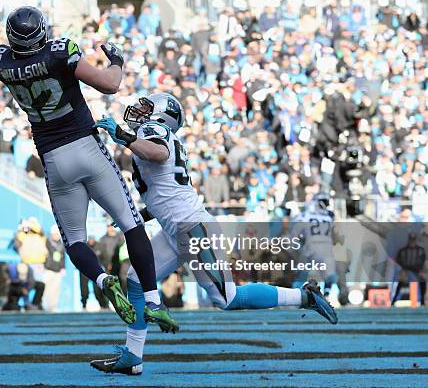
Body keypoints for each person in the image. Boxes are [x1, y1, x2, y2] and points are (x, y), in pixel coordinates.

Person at [0, 7, 175, 329]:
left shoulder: (3, 61)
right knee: (131, 225)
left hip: (53, 158)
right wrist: (117, 60)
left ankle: (100, 279)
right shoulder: (59, 53)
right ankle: (152, 300)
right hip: (86, 145)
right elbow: (110, 85)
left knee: (75, 240)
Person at [92, 92, 338, 375]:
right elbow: (167, 189)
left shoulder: (153, 130)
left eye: (148, 106)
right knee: (136, 282)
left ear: (163, 115)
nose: (139, 109)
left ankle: (304, 297)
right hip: (176, 229)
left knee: (226, 299)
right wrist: (144, 213)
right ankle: (132, 356)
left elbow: (157, 153)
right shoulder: (155, 133)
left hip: (193, 228)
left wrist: (123, 135)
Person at [42, 225, 65, 311]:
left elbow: (63, 257)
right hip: (48, 269)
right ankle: (42, 305)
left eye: (57, 234)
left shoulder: (61, 245)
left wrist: (63, 267)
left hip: (57, 270)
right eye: (54, 234)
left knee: (55, 290)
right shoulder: (47, 242)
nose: (56, 236)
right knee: (45, 288)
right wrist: (43, 265)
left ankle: (52, 306)